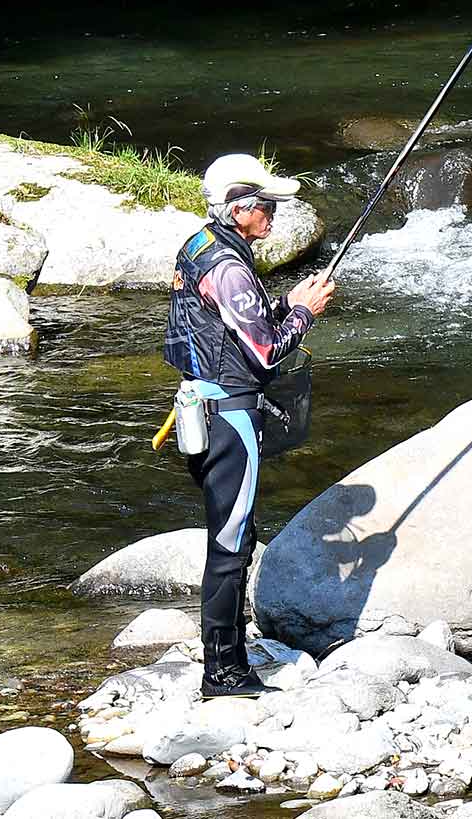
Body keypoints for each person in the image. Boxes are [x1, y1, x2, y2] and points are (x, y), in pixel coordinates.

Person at [166, 153, 335, 698]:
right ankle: (224, 673)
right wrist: (305, 313)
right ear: (240, 209)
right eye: (267, 206)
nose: (273, 215)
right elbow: (264, 352)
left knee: (233, 533)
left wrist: (286, 301)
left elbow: (226, 321)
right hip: (230, 418)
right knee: (231, 542)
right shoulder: (233, 268)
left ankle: (230, 659)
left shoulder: (200, 246)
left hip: (200, 406)